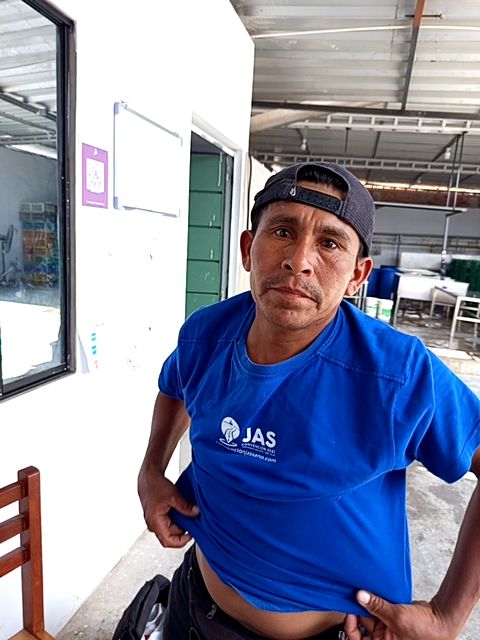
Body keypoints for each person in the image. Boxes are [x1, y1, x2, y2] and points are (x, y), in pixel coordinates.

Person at [138, 161, 480, 640]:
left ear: (358, 275)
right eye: (282, 231)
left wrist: (448, 616)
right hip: (195, 606)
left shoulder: (396, 373)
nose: (298, 260)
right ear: (247, 249)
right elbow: (175, 386)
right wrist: (151, 472)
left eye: (330, 243)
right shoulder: (206, 335)